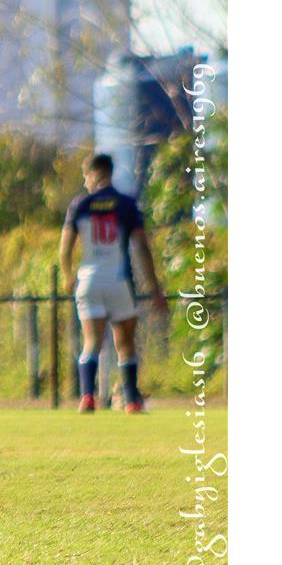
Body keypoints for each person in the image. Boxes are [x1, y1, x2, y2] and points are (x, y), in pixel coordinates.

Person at [59, 153, 168, 414]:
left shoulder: (80, 205)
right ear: (109, 172)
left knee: (91, 342)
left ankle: (87, 397)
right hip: (119, 279)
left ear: (91, 174)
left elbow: (64, 248)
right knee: (125, 343)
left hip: (89, 280)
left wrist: (67, 274)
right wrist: (154, 288)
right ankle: (131, 400)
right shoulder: (126, 204)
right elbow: (142, 246)